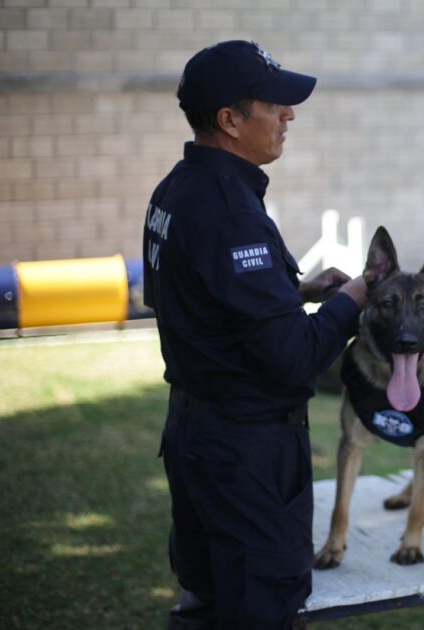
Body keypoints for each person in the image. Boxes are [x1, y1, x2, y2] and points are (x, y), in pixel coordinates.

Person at [143, 40, 367, 629]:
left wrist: (292, 292)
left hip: (196, 436)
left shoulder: (175, 190)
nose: (288, 114)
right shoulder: (231, 209)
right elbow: (294, 360)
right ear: (230, 120)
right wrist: (353, 300)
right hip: (246, 455)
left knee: (206, 602)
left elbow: (191, 303)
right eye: (274, 104)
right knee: (257, 607)